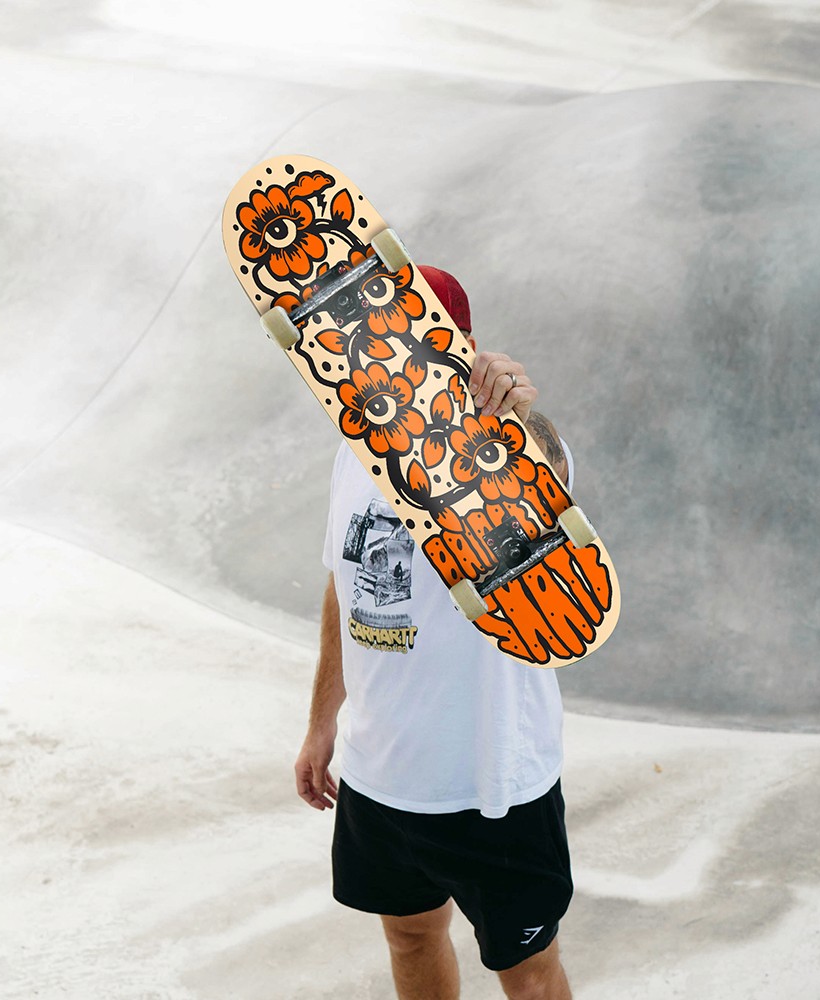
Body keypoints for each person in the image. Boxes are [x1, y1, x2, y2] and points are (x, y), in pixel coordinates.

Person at [295, 264, 576, 1000]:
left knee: (528, 973)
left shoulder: (506, 447)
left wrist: (515, 415)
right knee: (410, 936)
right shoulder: (354, 447)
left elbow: (547, 473)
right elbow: (344, 584)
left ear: (462, 347)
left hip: (492, 781)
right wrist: (322, 721)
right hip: (382, 772)